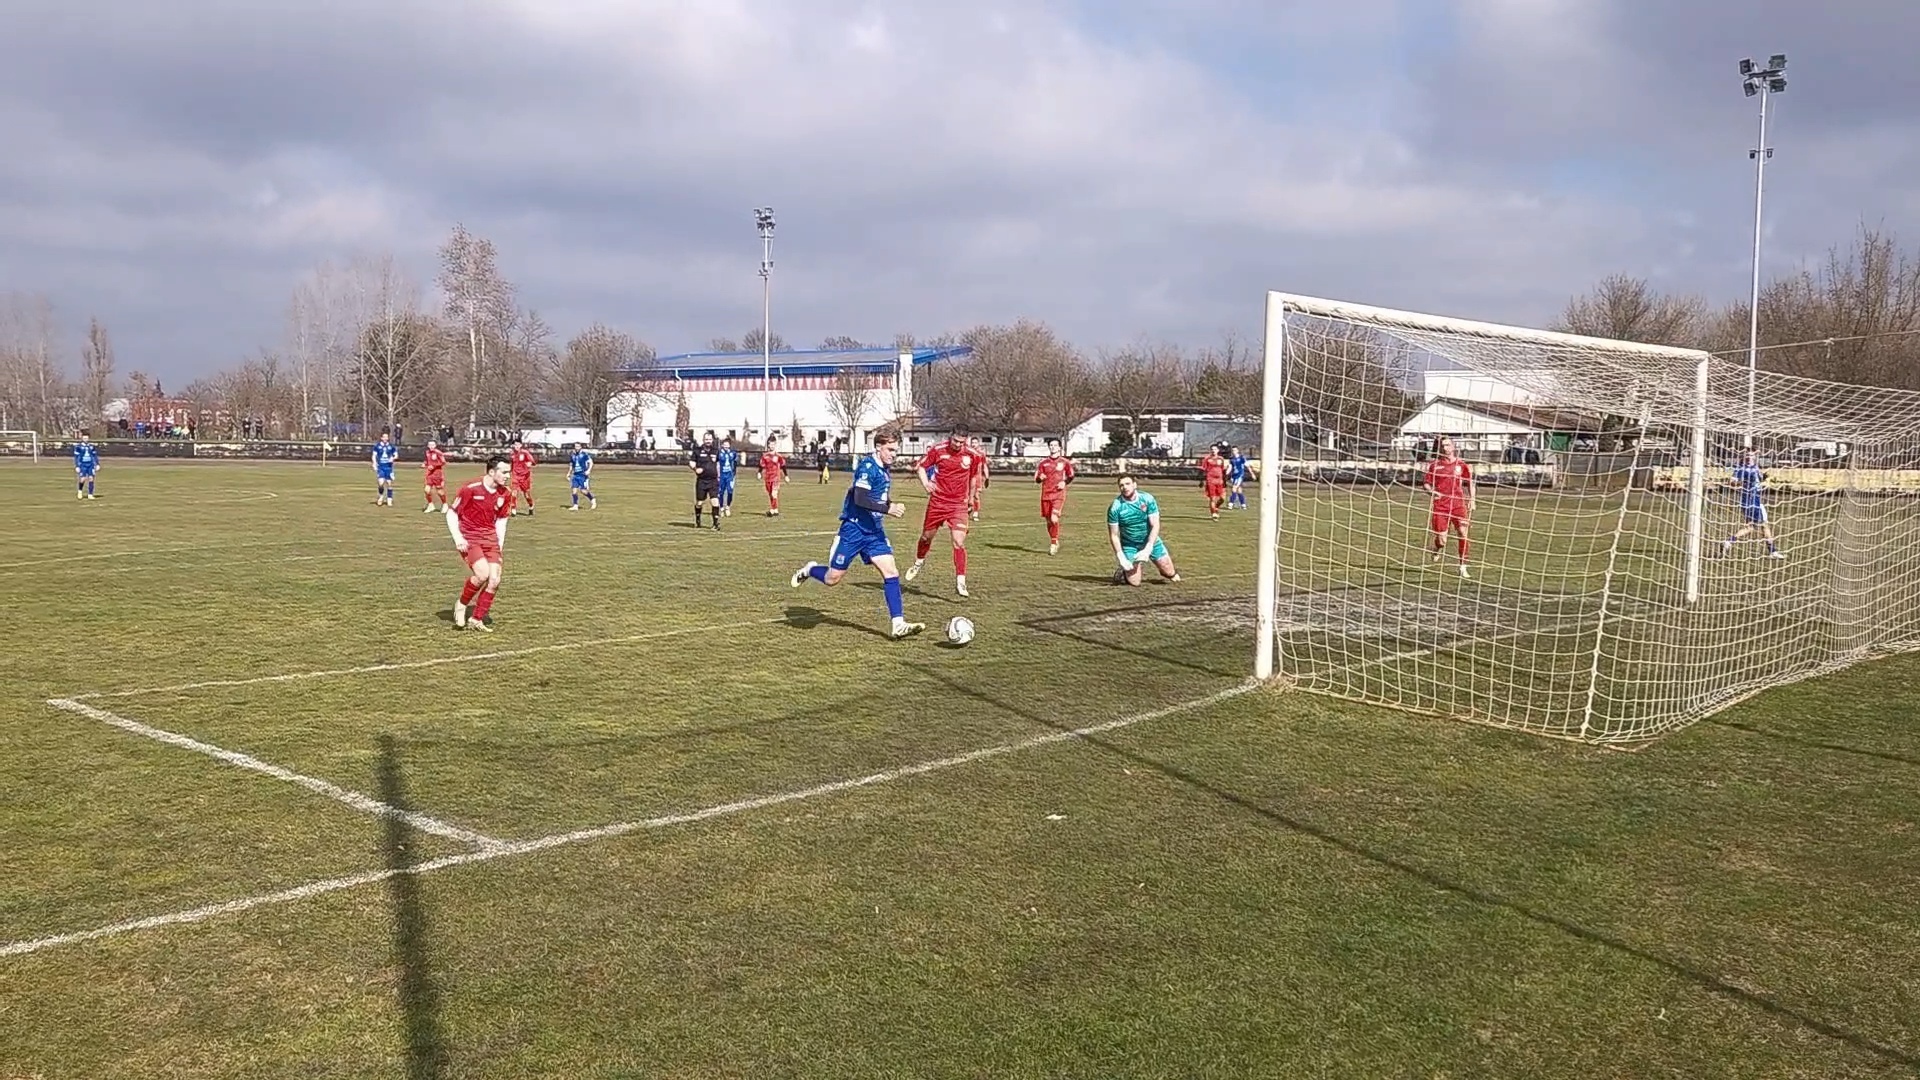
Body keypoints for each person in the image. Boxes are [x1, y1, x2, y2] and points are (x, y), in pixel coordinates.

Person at [790, 432, 925, 639]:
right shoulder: (867, 467)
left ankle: (898, 624)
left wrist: (890, 504)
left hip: (874, 531)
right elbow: (860, 499)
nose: (894, 454)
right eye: (890, 450)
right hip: (853, 530)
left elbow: (878, 496)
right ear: (878, 447)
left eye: (896, 450)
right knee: (832, 578)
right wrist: (888, 509)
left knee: (891, 572)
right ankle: (810, 569)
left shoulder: (884, 469)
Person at [906, 428, 984, 596]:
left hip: (958, 504)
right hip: (938, 502)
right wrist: (926, 484)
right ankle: (919, 561)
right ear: (951, 437)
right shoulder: (938, 450)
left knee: (958, 541)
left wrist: (971, 498)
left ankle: (961, 581)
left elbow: (973, 477)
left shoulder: (972, 455)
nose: (958, 445)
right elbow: (921, 467)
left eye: (962, 442)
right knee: (926, 537)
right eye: (955, 441)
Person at [445, 454, 515, 632]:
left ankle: (476, 619)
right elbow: (452, 513)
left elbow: (502, 521)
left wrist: (499, 544)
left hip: (490, 539)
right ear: (491, 472)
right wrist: (458, 538)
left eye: (509, 472)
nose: (508, 476)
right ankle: (461, 604)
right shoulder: (471, 488)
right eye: (504, 472)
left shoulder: (506, 493)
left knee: (494, 580)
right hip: (470, 538)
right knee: (482, 574)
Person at [1108, 474, 1179, 586]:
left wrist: (1148, 547)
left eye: (1127, 484)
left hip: (1150, 540)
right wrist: (1121, 557)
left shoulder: (1147, 499)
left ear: (1134, 485)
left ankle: (1165, 570)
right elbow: (1114, 535)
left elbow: (1155, 525)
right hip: (1130, 544)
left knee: (1170, 573)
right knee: (1135, 583)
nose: (1125, 487)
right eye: (1121, 485)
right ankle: (1125, 571)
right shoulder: (1115, 507)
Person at [1422, 435, 1474, 579]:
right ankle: (1436, 548)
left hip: (1458, 505)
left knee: (1463, 533)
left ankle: (1463, 567)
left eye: (1447, 445)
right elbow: (1426, 484)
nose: (1445, 448)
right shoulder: (1435, 465)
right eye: (1443, 446)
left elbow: (1469, 483)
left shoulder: (1461, 465)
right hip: (1441, 507)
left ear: (1453, 446)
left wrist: (1472, 499)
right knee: (1442, 541)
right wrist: (1432, 492)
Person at [1723, 449, 1784, 558]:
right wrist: (1743, 482)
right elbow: (1731, 482)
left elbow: (1758, 480)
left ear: (1755, 457)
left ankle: (1729, 541)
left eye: (1751, 455)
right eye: (1747, 455)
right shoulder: (1741, 469)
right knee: (1763, 525)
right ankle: (1773, 552)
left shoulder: (1755, 467)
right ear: (1743, 457)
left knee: (1751, 527)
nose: (1749, 457)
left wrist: (1764, 477)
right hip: (1751, 501)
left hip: (1753, 500)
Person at [1033, 437, 1076, 554]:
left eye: (1055, 445)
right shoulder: (1043, 463)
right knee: (1049, 521)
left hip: (1058, 494)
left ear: (1059, 448)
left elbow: (1071, 475)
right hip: (1046, 495)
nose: (1053, 447)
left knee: (1054, 518)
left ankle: (1053, 543)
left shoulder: (1064, 462)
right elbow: (1037, 479)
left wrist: (1064, 482)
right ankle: (1054, 539)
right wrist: (1040, 478)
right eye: (1051, 445)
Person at [689, 430, 722, 530]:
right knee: (699, 503)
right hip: (702, 481)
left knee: (715, 501)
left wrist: (719, 476)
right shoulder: (697, 450)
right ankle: (698, 520)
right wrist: (695, 469)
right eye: (706, 439)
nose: (708, 441)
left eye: (710, 439)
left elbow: (718, 464)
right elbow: (691, 462)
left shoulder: (716, 450)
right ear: (703, 440)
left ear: (712, 440)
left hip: (713, 481)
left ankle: (715, 524)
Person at [759, 437, 788, 516]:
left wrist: (786, 475)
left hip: (776, 478)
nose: (772, 446)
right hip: (768, 477)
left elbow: (783, 465)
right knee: (770, 494)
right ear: (768, 445)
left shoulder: (778, 456)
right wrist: (759, 472)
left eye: (773, 444)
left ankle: (772, 510)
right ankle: (775, 509)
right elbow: (761, 465)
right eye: (770, 444)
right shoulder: (765, 456)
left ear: (775, 445)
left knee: (773, 493)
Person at [508, 440, 537, 515]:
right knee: (514, 492)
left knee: (526, 494)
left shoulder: (525, 453)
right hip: (515, 475)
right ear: (513, 446)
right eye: (515, 445)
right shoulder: (512, 454)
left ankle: (531, 505)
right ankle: (513, 508)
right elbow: (512, 464)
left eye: (518, 445)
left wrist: (530, 463)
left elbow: (533, 462)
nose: (516, 446)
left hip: (525, 476)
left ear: (521, 445)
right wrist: (508, 472)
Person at [1200, 445, 1229, 519]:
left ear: (1218, 450)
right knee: (1212, 498)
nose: (1213, 451)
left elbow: (1223, 470)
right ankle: (1214, 513)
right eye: (1212, 449)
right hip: (1210, 480)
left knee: (1222, 498)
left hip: (1220, 480)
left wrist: (1225, 481)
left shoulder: (1221, 459)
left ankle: (1216, 507)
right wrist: (1201, 480)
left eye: (1215, 449)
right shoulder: (1207, 459)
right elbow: (1203, 470)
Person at [370, 431, 399, 506]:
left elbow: (396, 455)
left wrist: (393, 458)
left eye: (387, 437)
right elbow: (374, 455)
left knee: (389, 483)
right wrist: (374, 463)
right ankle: (381, 496)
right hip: (381, 466)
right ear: (381, 438)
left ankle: (389, 498)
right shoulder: (377, 446)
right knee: (381, 483)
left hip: (389, 467)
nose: (385, 438)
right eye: (384, 437)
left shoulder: (391, 446)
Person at [967, 435, 990, 521]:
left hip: (977, 477)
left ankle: (975, 513)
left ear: (978, 443)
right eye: (972, 442)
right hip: (968, 477)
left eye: (975, 442)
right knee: (967, 495)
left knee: (976, 495)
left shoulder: (981, 453)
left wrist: (987, 477)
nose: (973, 444)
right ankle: (969, 508)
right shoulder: (968, 452)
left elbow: (984, 465)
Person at [72, 431, 100, 500]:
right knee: (83, 479)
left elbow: (95, 456)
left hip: (90, 464)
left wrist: (97, 464)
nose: (85, 439)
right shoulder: (78, 447)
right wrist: (77, 466)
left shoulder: (91, 446)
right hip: (83, 464)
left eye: (87, 438)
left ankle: (90, 494)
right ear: (82, 438)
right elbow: (76, 457)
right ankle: (80, 491)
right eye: (84, 438)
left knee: (91, 478)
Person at [568, 442, 596, 511]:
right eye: (575, 446)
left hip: (583, 475)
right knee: (574, 490)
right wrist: (569, 473)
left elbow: (591, 462)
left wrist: (588, 470)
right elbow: (571, 465)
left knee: (583, 491)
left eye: (578, 446)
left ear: (580, 447)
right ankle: (575, 506)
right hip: (575, 475)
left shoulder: (584, 455)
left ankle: (592, 499)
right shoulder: (573, 455)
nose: (576, 448)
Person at [422, 439, 447, 512]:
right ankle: (431, 505)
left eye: (433, 445)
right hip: (430, 474)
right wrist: (424, 464)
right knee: (426, 490)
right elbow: (427, 461)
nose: (431, 446)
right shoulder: (427, 452)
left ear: (435, 445)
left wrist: (434, 466)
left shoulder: (438, 452)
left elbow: (443, 462)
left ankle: (445, 504)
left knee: (439, 491)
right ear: (428, 446)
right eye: (430, 445)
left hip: (437, 474)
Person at [717, 437, 739, 516]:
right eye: (724, 444)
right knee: (721, 492)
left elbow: (735, 463)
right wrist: (717, 474)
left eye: (727, 445)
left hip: (729, 475)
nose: (726, 446)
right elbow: (716, 463)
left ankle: (728, 507)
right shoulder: (719, 453)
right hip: (722, 475)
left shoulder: (733, 453)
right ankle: (721, 508)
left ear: (729, 445)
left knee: (730, 491)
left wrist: (734, 473)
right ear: (722, 445)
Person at [1226, 445, 1249, 510]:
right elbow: (1230, 467)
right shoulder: (1231, 459)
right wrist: (1226, 473)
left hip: (1240, 475)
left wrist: (1252, 473)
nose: (1234, 451)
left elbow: (1247, 465)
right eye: (1233, 450)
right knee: (1239, 491)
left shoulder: (1241, 458)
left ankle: (1231, 504)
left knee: (1234, 488)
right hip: (1234, 476)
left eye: (1235, 450)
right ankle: (1243, 504)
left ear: (1238, 450)